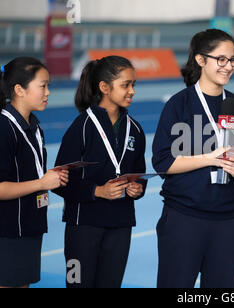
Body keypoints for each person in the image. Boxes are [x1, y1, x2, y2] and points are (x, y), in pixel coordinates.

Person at [152, 29, 234, 288]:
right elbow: (164, 163)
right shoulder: (179, 105)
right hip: (184, 218)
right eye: (221, 59)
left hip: (229, 220)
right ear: (201, 60)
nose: (228, 66)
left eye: (233, 59)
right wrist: (210, 158)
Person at [53, 56, 147, 288]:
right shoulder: (82, 127)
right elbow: (59, 181)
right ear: (104, 88)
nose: (132, 91)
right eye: (126, 85)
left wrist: (138, 188)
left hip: (120, 225)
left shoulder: (135, 129)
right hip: (83, 227)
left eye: (134, 84)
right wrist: (97, 191)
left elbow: (140, 173)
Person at [0, 57, 68, 288]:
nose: (48, 92)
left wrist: (50, 177)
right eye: (43, 86)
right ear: (19, 89)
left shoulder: (34, 126)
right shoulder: (4, 128)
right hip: (7, 231)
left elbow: (26, 174)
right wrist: (41, 183)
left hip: (29, 225)